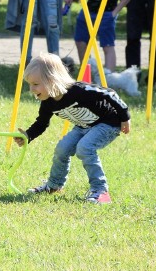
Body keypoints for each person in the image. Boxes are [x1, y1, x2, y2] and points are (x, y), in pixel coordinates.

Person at [14, 52, 131, 204]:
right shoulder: (48, 102)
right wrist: (28, 136)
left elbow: (109, 94)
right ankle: (54, 186)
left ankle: (100, 191)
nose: (31, 89)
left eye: (35, 84)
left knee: (84, 148)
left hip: (108, 123)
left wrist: (125, 117)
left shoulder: (79, 91)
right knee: (62, 149)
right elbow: (42, 123)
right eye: (30, 84)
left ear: (52, 80)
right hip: (83, 127)